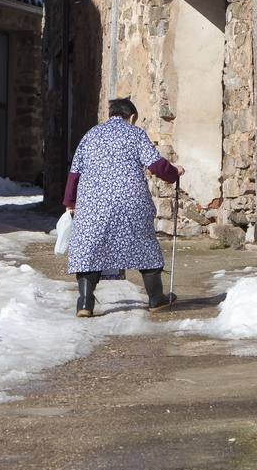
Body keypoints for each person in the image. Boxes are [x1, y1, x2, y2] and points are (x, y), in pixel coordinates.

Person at [64, 98, 184, 317]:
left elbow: (74, 173)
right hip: (131, 202)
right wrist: (174, 173)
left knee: (89, 249)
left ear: (110, 114)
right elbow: (156, 165)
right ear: (132, 117)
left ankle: (84, 304)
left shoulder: (90, 136)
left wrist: (70, 203)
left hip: (93, 204)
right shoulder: (135, 134)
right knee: (144, 245)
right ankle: (156, 299)